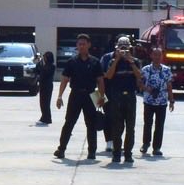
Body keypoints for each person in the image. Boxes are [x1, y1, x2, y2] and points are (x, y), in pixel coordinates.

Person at [52, 35, 103, 161]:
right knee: (69, 123)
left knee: (91, 125)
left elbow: (100, 81)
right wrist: (59, 96)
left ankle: (92, 152)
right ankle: (61, 149)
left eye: (84, 44)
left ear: (89, 45)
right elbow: (64, 79)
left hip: (91, 94)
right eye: (79, 44)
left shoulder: (95, 62)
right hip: (75, 94)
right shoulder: (72, 62)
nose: (81, 46)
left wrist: (101, 97)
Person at [100, 36, 142, 164]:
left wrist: (131, 62)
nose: (123, 51)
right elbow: (108, 75)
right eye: (121, 48)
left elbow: (140, 75)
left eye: (126, 48)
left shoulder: (135, 61)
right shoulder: (112, 61)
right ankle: (116, 153)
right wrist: (117, 60)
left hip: (130, 96)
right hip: (116, 96)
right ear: (117, 48)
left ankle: (128, 154)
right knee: (116, 127)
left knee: (130, 127)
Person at [138, 44, 174, 157]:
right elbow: (139, 83)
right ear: (151, 56)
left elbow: (169, 85)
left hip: (162, 102)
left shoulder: (167, 70)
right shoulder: (145, 69)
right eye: (155, 55)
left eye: (159, 55)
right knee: (147, 124)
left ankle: (157, 147)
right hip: (149, 101)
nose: (157, 57)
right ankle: (145, 143)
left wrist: (171, 100)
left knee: (159, 125)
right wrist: (146, 88)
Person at [35, 49, 55, 125]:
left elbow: (44, 72)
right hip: (43, 86)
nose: (44, 59)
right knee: (42, 102)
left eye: (45, 57)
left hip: (48, 86)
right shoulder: (44, 65)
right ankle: (44, 117)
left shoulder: (51, 66)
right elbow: (37, 70)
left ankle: (47, 118)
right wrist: (39, 61)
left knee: (46, 103)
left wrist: (41, 64)